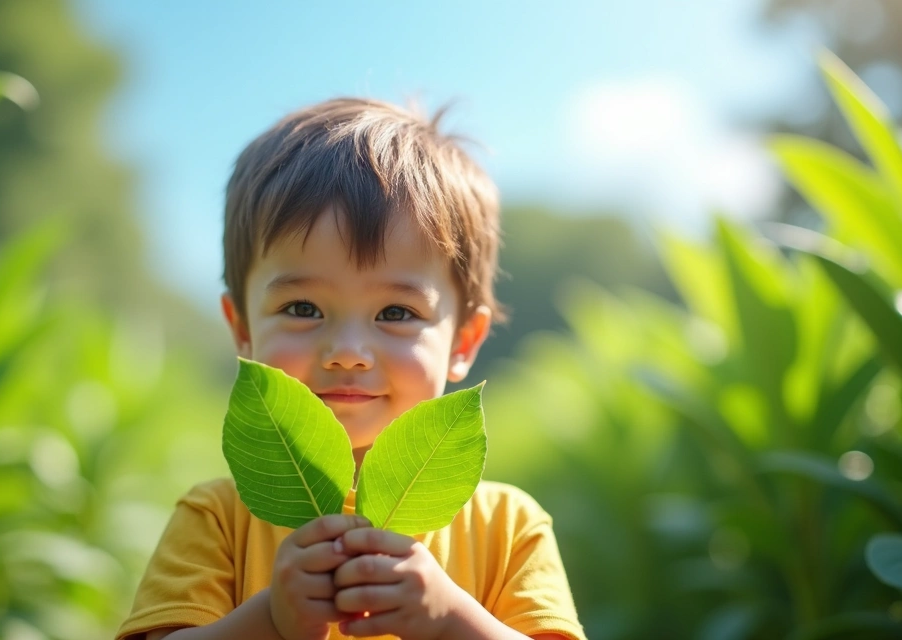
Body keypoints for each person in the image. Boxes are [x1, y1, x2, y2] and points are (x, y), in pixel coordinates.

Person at [116, 98, 586, 640]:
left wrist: (450, 620)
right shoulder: (217, 518)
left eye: (396, 313)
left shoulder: (508, 526)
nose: (347, 351)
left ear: (464, 341)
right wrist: (269, 620)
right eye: (302, 309)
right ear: (241, 327)